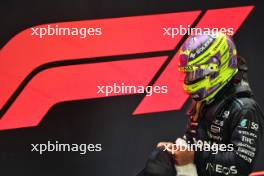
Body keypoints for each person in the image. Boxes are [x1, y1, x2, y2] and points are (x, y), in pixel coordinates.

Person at [139, 32, 264, 176]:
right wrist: (177, 150)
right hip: (200, 171)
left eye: (195, 73)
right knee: (160, 158)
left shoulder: (245, 109)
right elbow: (192, 141)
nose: (190, 78)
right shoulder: (206, 101)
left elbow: (241, 164)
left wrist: (194, 155)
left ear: (215, 68)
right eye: (188, 73)